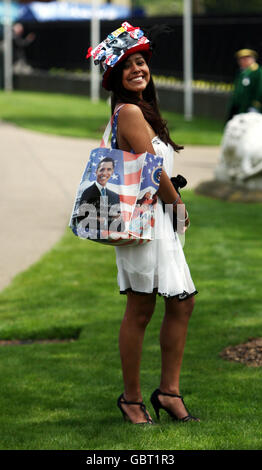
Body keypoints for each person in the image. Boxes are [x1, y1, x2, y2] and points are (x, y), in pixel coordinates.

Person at [87, 21, 199, 425]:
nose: (138, 69)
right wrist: (179, 205)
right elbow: (154, 171)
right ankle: (133, 398)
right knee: (141, 308)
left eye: (141, 62)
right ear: (115, 75)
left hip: (156, 225)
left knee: (179, 302)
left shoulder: (141, 111)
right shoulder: (130, 110)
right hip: (145, 223)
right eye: (128, 65)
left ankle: (167, 393)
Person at [226, 48, 262, 121]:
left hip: (250, 106)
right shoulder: (242, 72)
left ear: (253, 59)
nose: (243, 61)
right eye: (241, 59)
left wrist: (255, 105)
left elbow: (259, 89)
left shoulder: (257, 72)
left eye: (246, 59)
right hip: (239, 105)